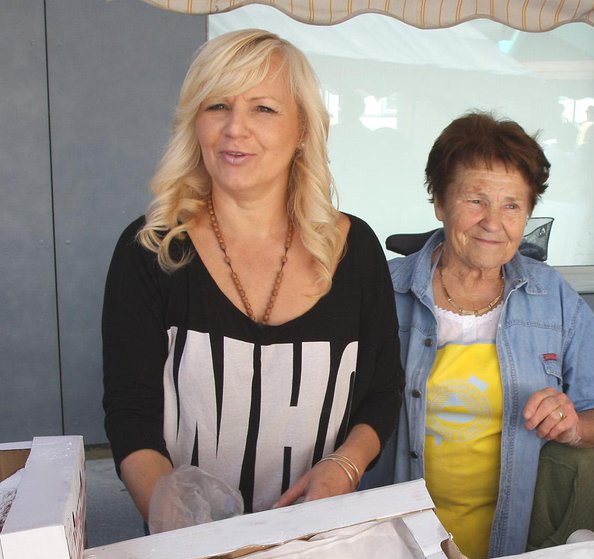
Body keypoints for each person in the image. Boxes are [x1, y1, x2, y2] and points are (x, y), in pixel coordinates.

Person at [102, 29, 402, 522]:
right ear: (194, 123)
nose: (235, 129)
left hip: (319, 538)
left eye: (263, 108)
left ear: (303, 128)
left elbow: (381, 391)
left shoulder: (355, 250)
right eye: (217, 105)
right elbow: (130, 412)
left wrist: (346, 467)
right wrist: (179, 530)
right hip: (188, 553)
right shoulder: (152, 251)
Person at [366, 112, 594, 559]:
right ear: (440, 202)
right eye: (475, 200)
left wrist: (574, 424)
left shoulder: (553, 297)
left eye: (512, 205)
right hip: (396, 538)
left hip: (517, 536)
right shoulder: (382, 291)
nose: (493, 222)